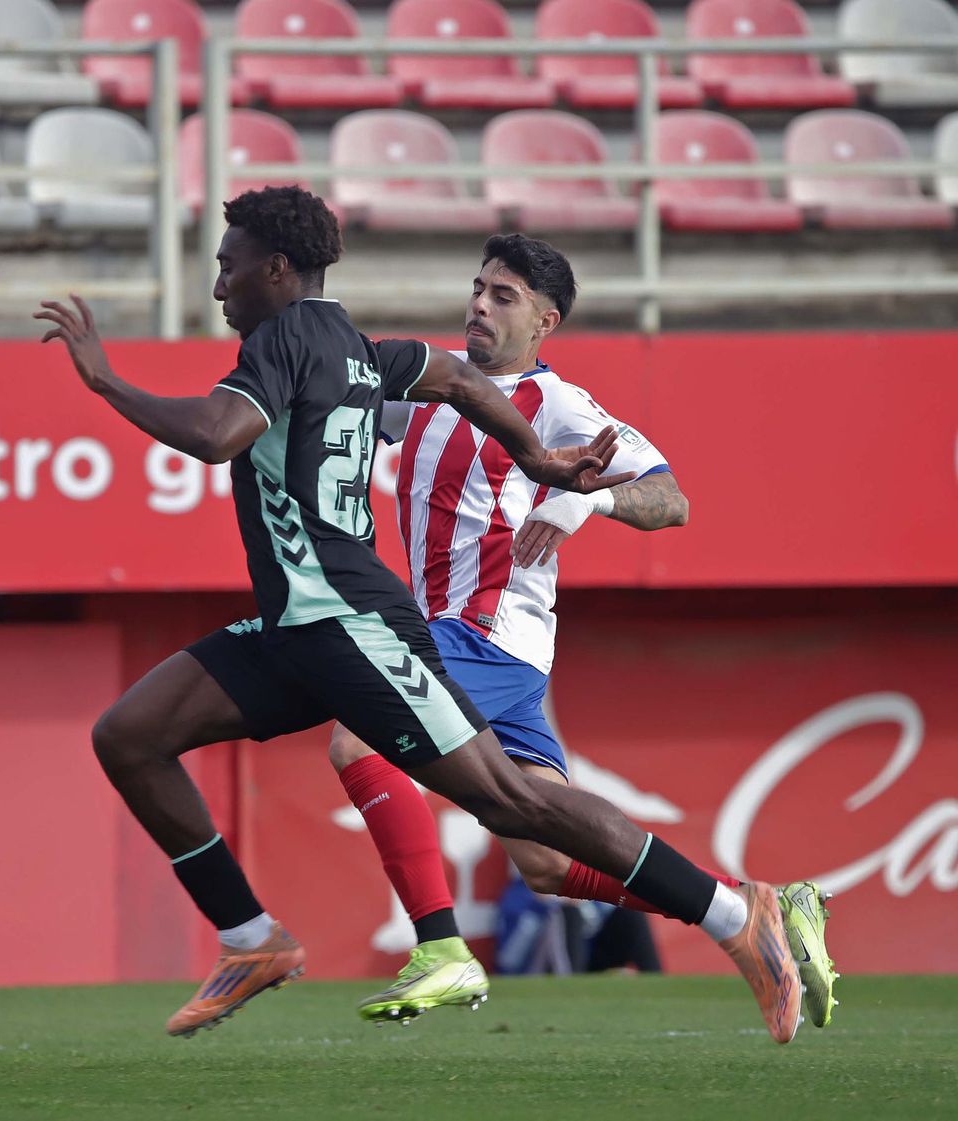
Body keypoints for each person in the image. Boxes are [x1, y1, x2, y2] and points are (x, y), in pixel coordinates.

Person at [35, 186, 801, 1045]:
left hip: (380, 625)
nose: (219, 287)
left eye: (227, 266)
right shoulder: (359, 349)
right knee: (130, 735)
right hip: (305, 625)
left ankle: (725, 918)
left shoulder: (295, 339)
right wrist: (537, 461)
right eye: (478, 288)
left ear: (276, 268)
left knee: (504, 799)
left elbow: (219, 433)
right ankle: (252, 940)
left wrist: (104, 380)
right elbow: (455, 380)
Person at [330, 235, 836, 1032]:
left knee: (356, 737)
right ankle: (745, 909)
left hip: (485, 637)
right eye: (478, 288)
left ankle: (440, 947)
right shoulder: (429, 390)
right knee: (547, 862)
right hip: (478, 647)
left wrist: (588, 502)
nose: (479, 306)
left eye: (504, 296)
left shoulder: (558, 405)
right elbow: (339, 398)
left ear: (546, 320)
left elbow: (671, 499)